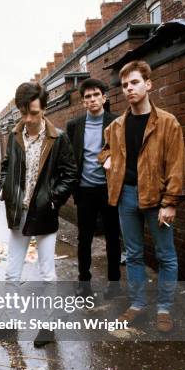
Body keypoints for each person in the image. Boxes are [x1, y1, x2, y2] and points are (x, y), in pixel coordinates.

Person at [99, 60, 185, 332]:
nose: (129, 89)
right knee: (134, 255)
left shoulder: (167, 123)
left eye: (134, 82)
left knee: (166, 255)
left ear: (148, 84)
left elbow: (176, 164)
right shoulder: (116, 126)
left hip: (157, 198)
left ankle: (164, 308)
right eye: (124, 85)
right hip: (126, 197)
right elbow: (104, 151)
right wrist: (107, 159)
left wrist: (170, 202)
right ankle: (137, 304)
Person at [0, 81, 77, 347]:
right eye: (23, 113)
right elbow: (6, 166)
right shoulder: (14, 136)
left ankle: (48, 327)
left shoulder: (58, 138)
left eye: (34, 113)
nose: (28, 119)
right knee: (12, 274)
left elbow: (70, 173)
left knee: (47, 274)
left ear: (44, 109)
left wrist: (53, 199)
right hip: (19, 213)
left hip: (44, 214)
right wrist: (6, 186)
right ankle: (9, 324)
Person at [67, 78, 122, 299]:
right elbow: (70, 158)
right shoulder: (75, 125)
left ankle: (114, 283)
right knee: (84, 238)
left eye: (96, 95)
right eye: (87, 97)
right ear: (83, 102)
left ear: (104, 97)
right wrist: (74, 188)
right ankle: (84, 282)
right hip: (85, 190)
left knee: (112, 237)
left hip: (109, 189)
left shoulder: (116, 122)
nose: (92, 99)